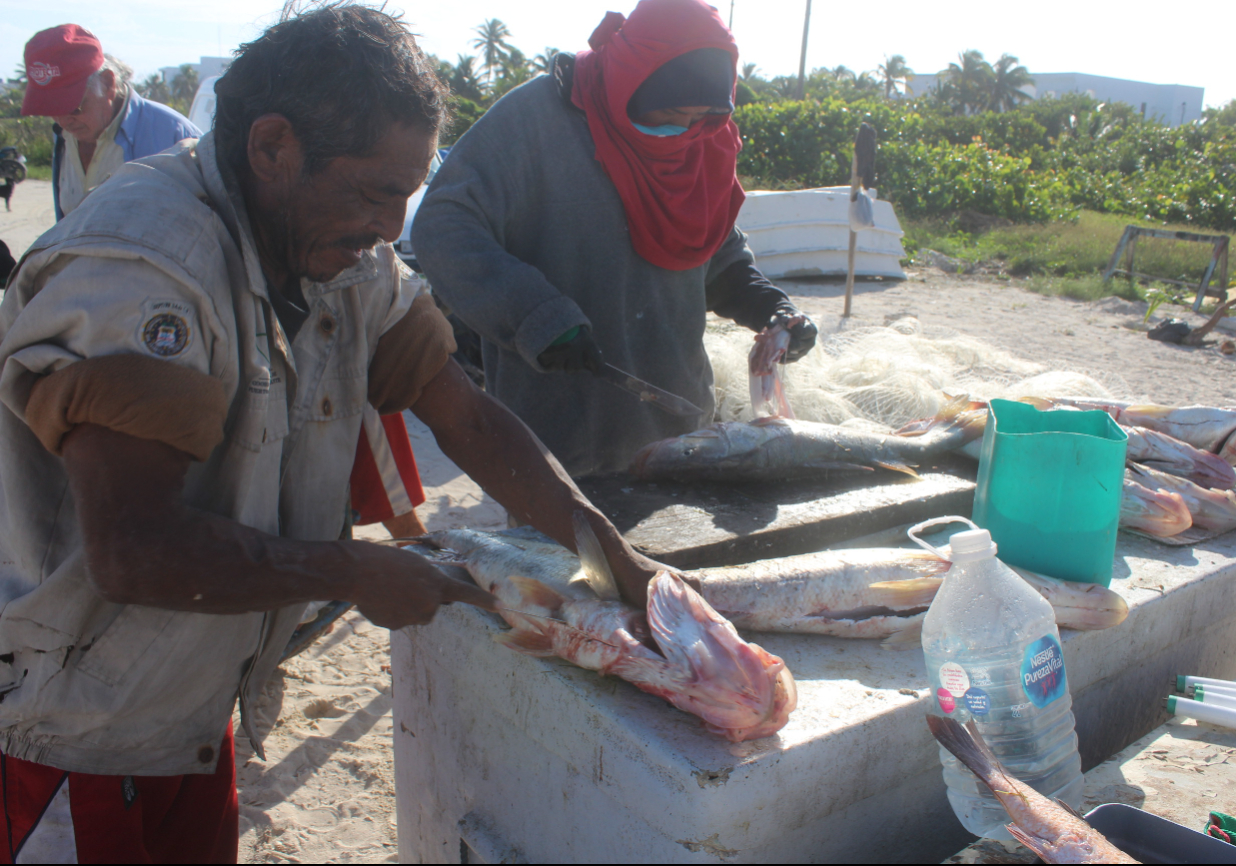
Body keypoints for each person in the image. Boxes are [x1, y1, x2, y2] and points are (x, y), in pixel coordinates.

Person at [0, 6, 663, 861]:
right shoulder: (143, 264)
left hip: (189, 710)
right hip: (74, 728)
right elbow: (135, 552)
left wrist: (608, 552)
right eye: (376, 191)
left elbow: (462, 412)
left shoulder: (347, 254)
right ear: (273, 148)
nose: (392, 227)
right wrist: (352, 571)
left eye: (406, 195)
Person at [412, 0, 818, 479]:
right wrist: (534, 316)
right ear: (631, 76)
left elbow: (715, 256)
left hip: (680, 435)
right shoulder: (533, 122)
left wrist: (769, 307)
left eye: (699, 116)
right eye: (670, 111)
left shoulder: (702, 140)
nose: (683, 129)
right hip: (553, 446)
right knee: (569, 553)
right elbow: (443, 224)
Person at [20, 24, 200, 219]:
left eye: (74, 107)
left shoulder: (176, 138)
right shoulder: (63, 136)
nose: (63, 121)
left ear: (108, 84)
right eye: (52, 110)